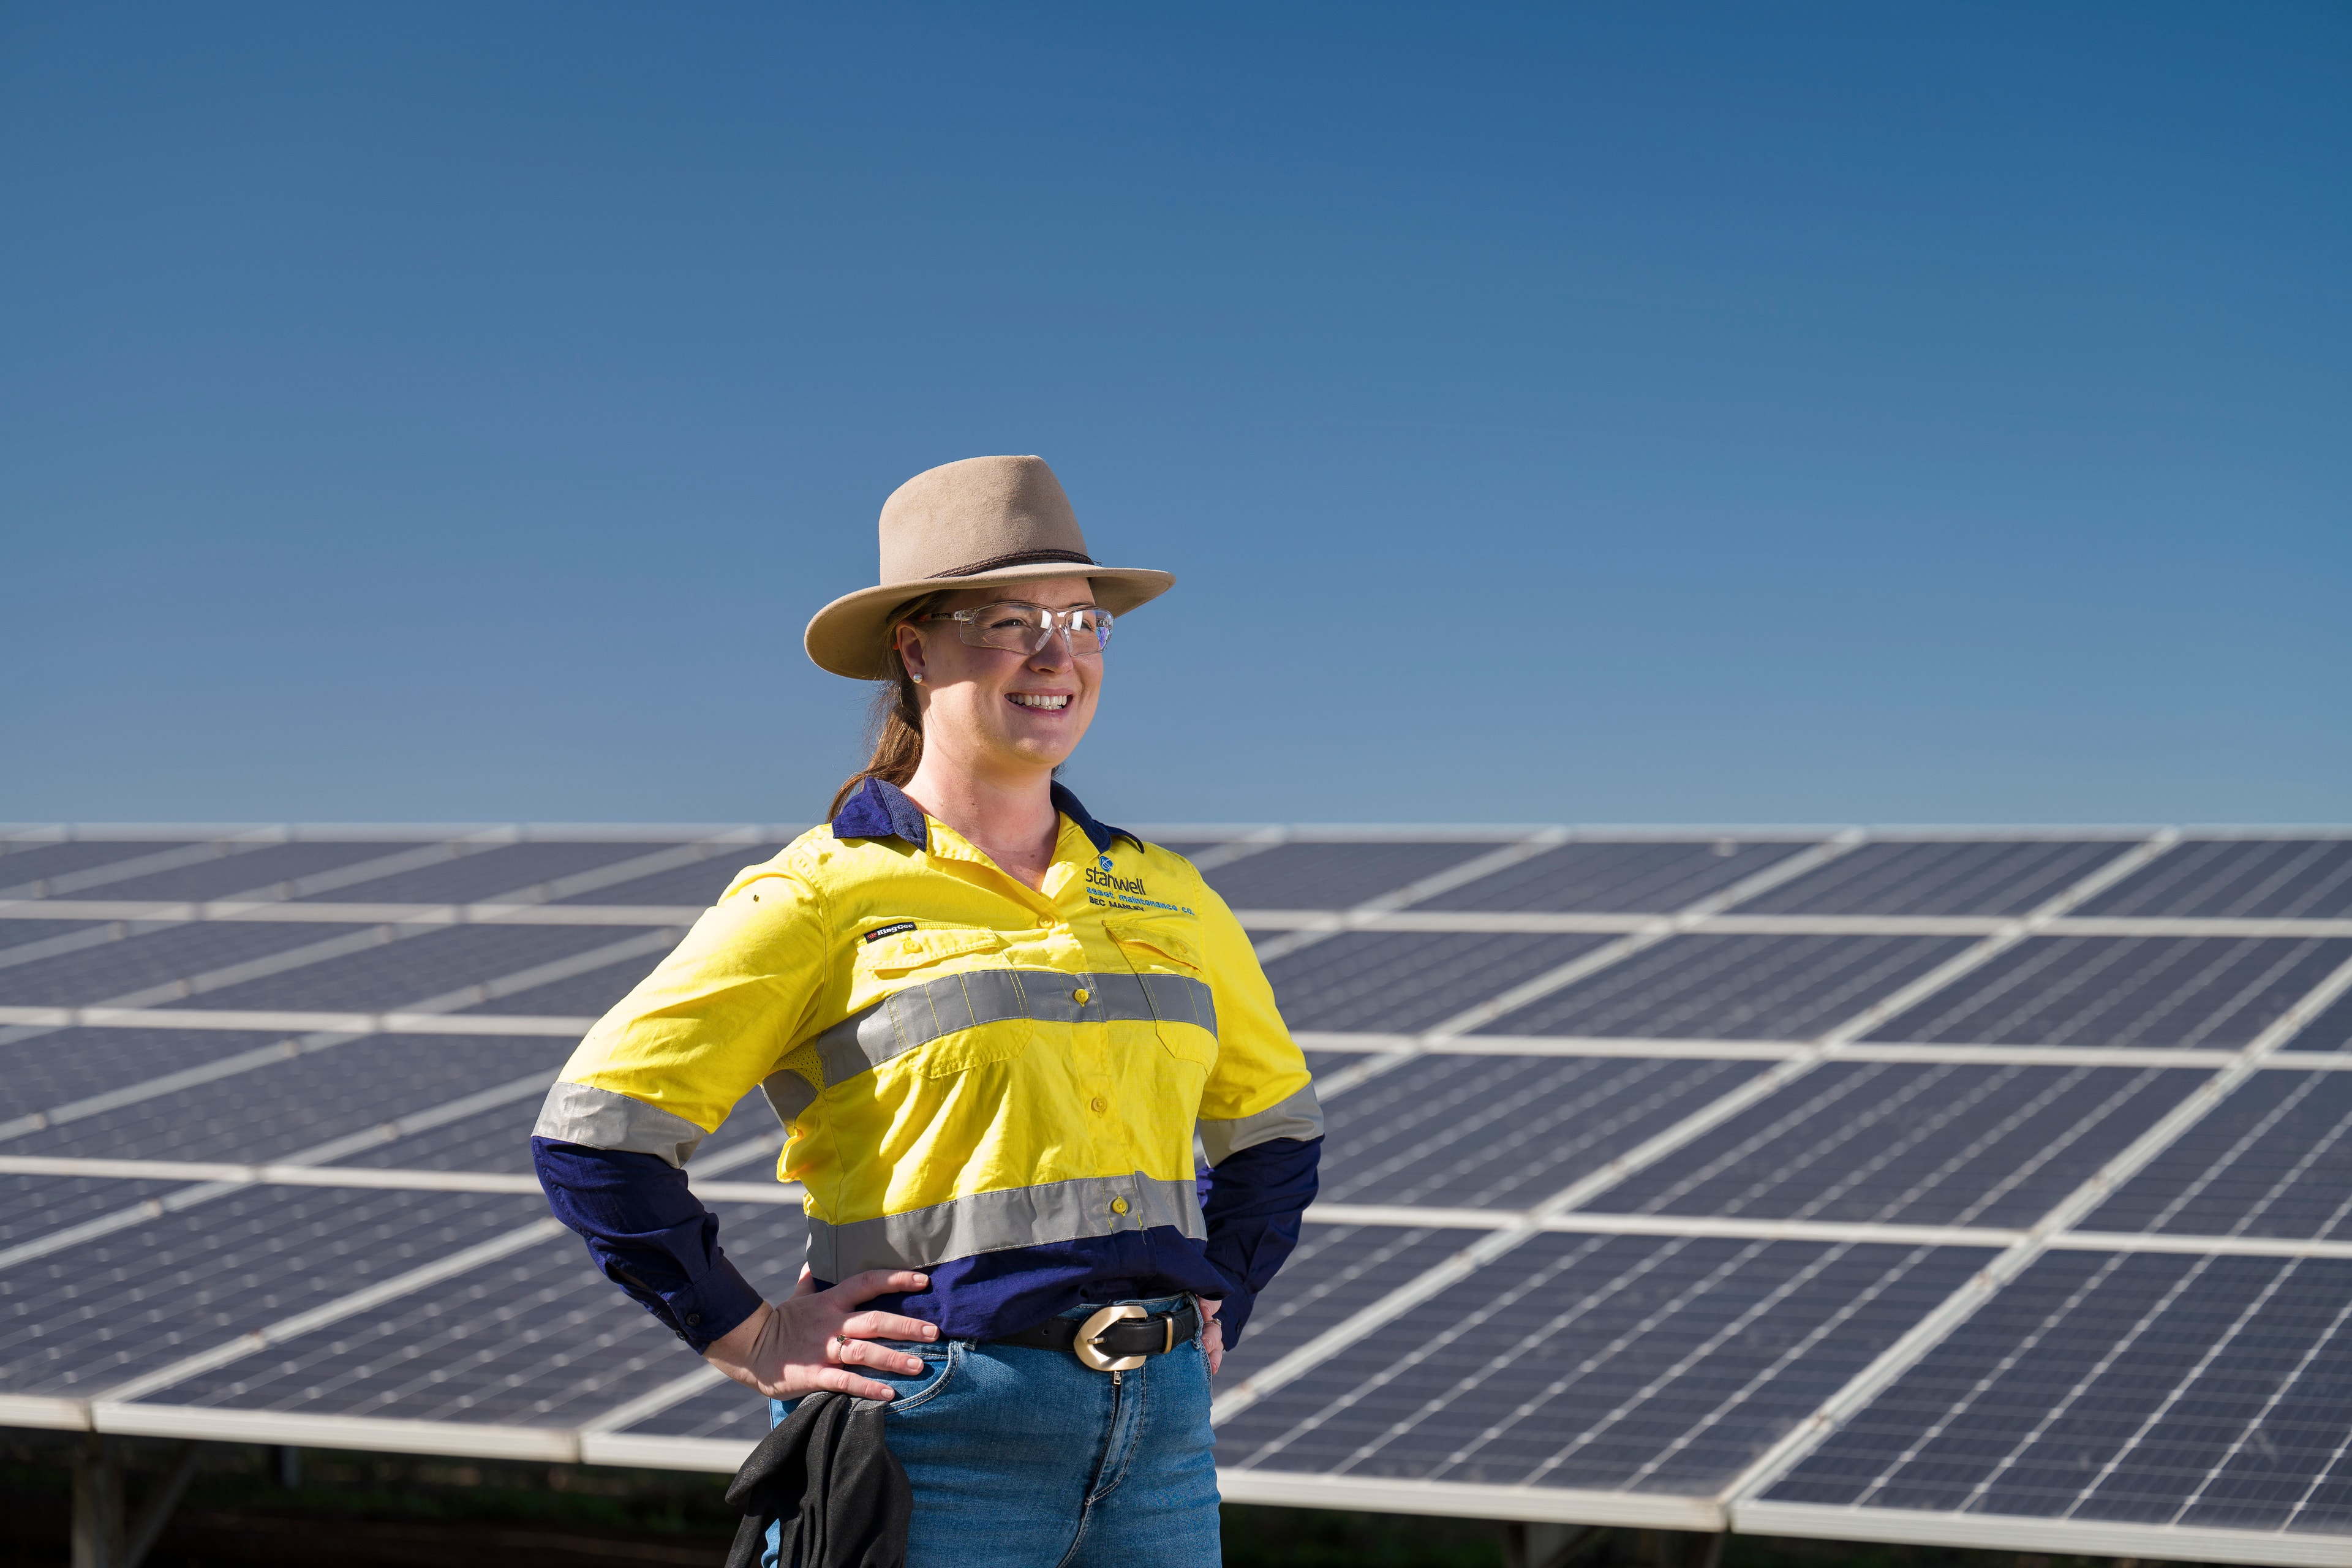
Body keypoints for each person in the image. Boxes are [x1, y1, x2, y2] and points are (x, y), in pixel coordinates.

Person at [532, 454, 1323, 1567]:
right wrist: (752, 1336)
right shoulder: (820, 892)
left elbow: (1278, 1130)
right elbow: (596, 1136)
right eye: (1009, 620)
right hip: (935, 1433)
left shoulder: (1170, 893)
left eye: (1083, 620)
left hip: (1163, 1450)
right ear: (915, 647)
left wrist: (1223, 1296)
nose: (1058, 655)